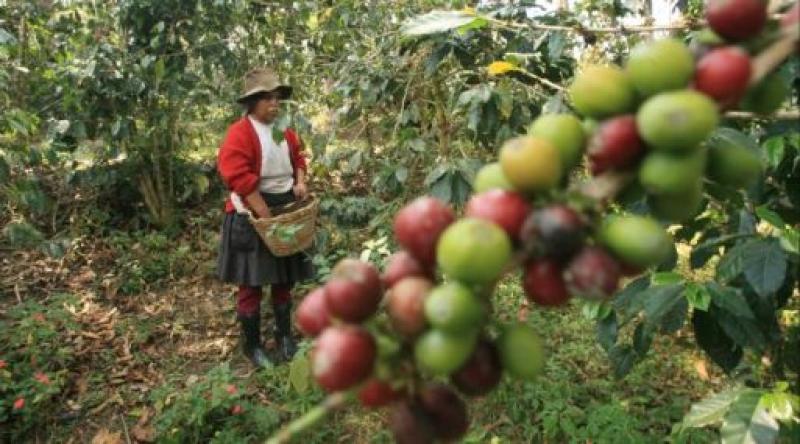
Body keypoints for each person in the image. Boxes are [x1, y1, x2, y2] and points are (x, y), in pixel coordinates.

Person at [216, 67, 313, 368]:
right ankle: (253, 345)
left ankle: (284, 336)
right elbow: (240, 180)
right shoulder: (239, 134)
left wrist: (300, 182)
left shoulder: (283, 130)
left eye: (277, 98)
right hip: (253, 210)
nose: (275, 104)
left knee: (284, 276)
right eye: (268, 99)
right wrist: (266, 218)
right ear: (252, 103)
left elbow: (299, 157)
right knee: (252, 281)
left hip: (284, 206)